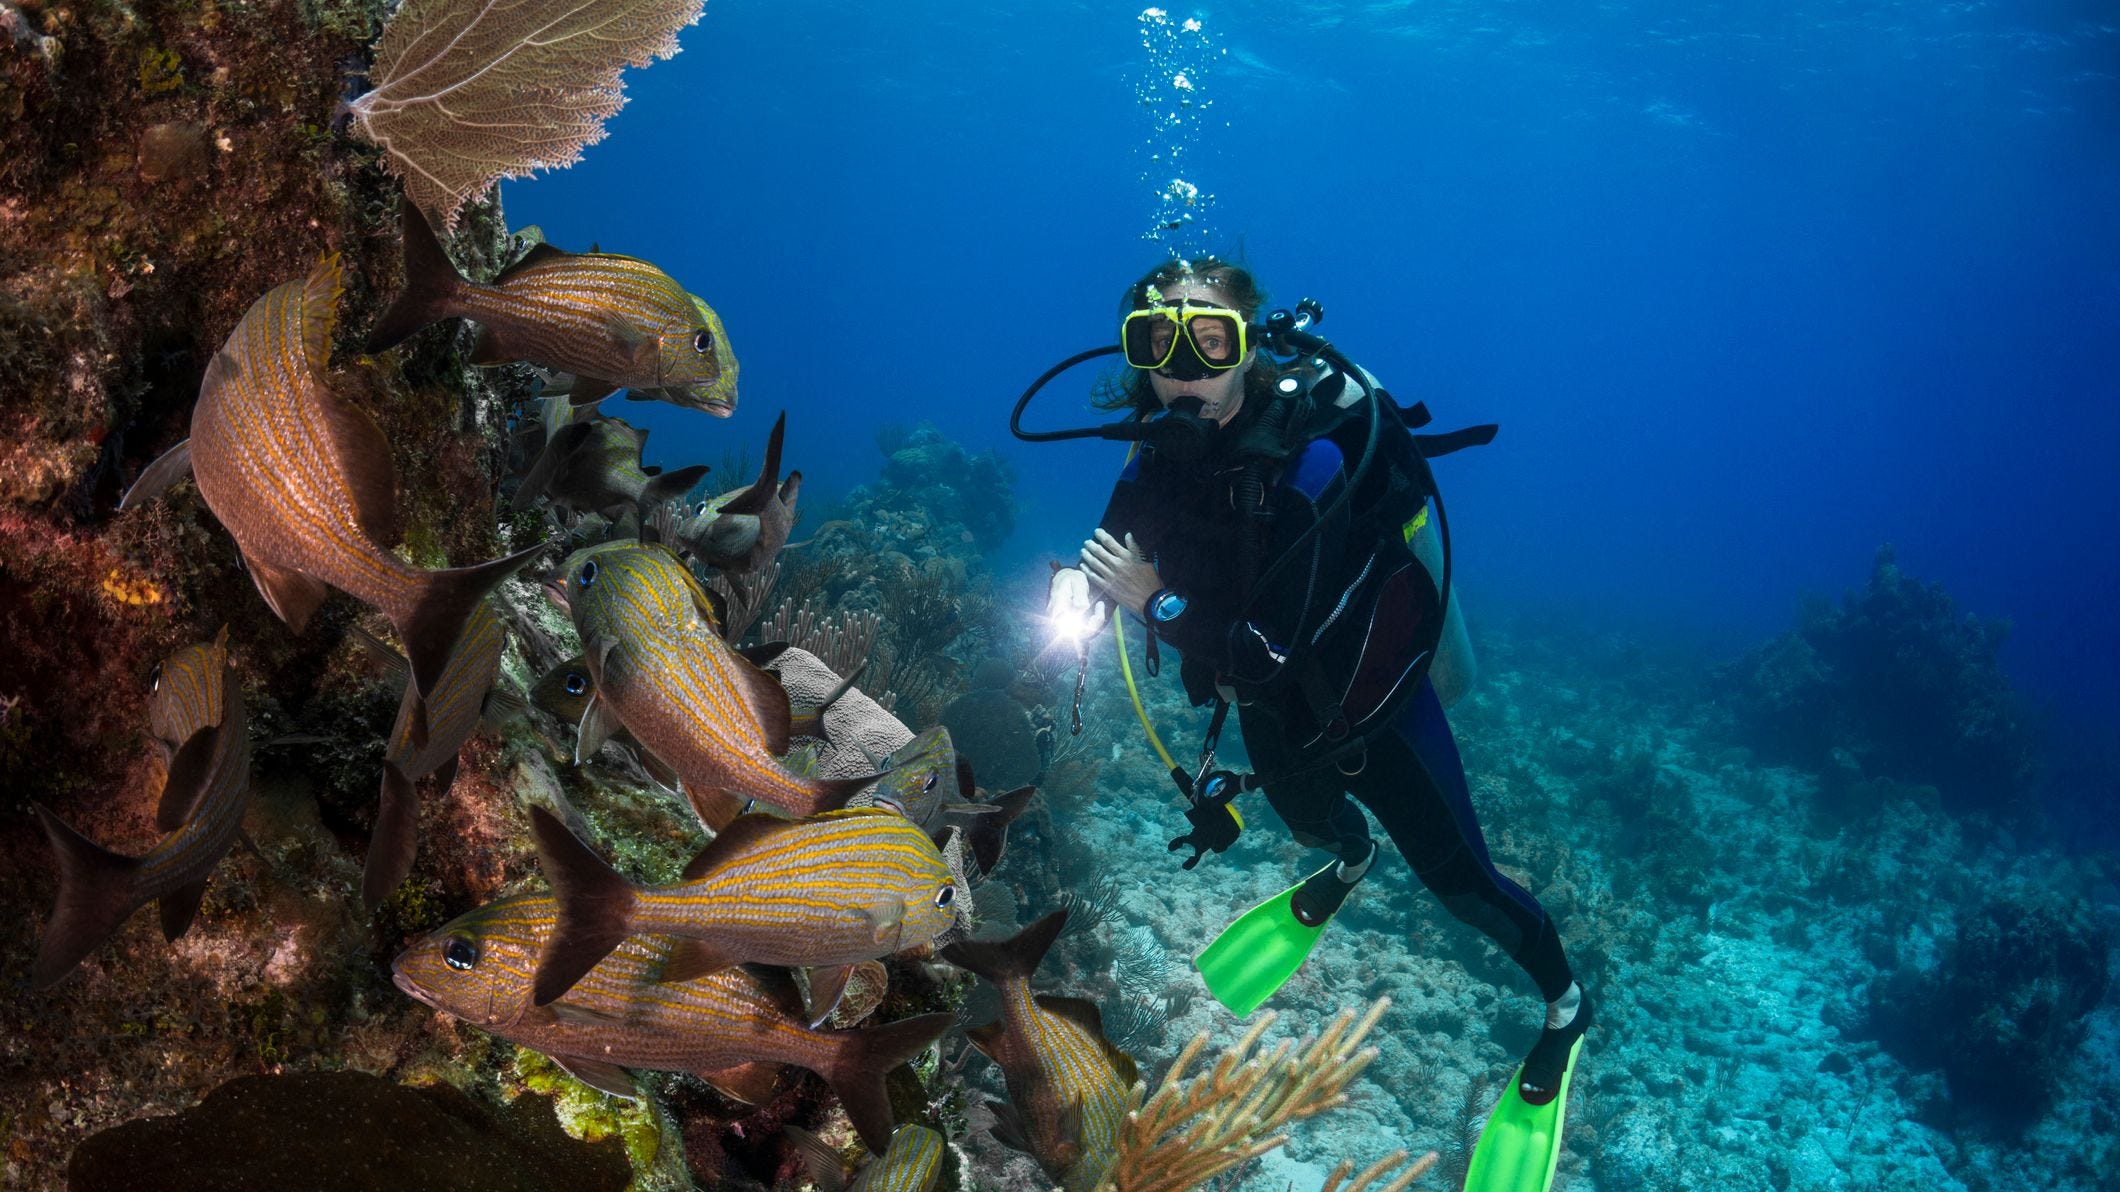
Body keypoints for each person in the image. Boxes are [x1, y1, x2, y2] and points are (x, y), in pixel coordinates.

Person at [1044, 257, 1591, 1106]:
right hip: (1267, 705)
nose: (1183, 368)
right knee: (1311, 827)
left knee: (1462, 887)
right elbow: (1111, 549)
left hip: (1368, 710)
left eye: (1211, 340)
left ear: (1251, 348)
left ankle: (1565, 1006)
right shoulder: (1156, 459)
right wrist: (1074, 585)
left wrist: (1151, 599)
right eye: (1159, 341)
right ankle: (1352, 855)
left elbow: (1264, 650)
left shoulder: (1309, 463)